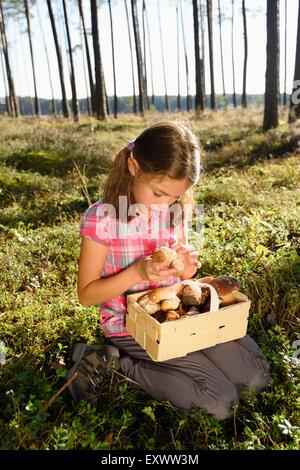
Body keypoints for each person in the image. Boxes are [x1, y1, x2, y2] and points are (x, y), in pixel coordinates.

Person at [67, 121, 270, 421]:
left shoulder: (176, 210)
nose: (164, 206)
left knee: (256, 378)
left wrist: (187, 269)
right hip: (131, 327)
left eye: (174, 197)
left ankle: (184, 363)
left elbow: (181, 277)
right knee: (220, 402)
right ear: (134, 166)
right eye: (158, 193)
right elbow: (86, 294)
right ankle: (114, 363)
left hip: (178, 319)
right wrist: (137, 273)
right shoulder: (103, 219)